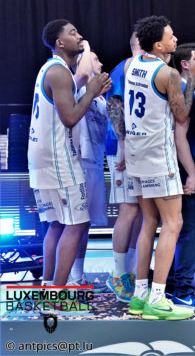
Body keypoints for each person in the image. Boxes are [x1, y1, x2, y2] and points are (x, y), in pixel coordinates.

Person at [119, 15, 195, 320]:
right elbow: (181, 115)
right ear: (158, 44)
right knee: (173, 223)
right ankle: (157, 299)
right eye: (171, 36)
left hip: (136, 155)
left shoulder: (130, 65)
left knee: (149, 222)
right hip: (158, 156)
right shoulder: (168, 74)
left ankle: (139, 296)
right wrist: (193, 76)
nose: (176, 39)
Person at [28, 20, 111, 293]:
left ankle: (48, 288)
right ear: (60, 42)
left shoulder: (50, 69)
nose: (80, 36)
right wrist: (92, 91)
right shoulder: (59, 72)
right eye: (73, 33)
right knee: (77, 223)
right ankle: (58, 293)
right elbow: (70, 118)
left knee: (56, 224)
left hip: (42, 157)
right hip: (58, 159)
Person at [165, 43, 195, 311]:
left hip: (186, 167)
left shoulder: (189, 88)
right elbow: (179, 135)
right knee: (189, 232)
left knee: (180, 230)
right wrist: (193, 172)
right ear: (185, 64)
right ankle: (182, 290)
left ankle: (172, 285)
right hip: (184, 170)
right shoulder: (184, 90)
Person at [105, 31, 144, 302]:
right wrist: (123, 145)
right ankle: (118, 275)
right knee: (128, 210)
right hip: (123, 147)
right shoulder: (125, 68)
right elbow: (115, 106)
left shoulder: (143, 69)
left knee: (141, 211)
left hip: (139, 148)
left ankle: (129, 272)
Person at [69, 46, 109, 289]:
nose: (100, 63)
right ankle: (70, 278)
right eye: (95, 59)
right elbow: (82, 74)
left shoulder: (101, 98)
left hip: (95, 164)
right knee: (75, 224)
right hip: (79, 163)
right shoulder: (78, 87)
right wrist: (85, 48)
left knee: (86, 225)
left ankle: (78, 275)